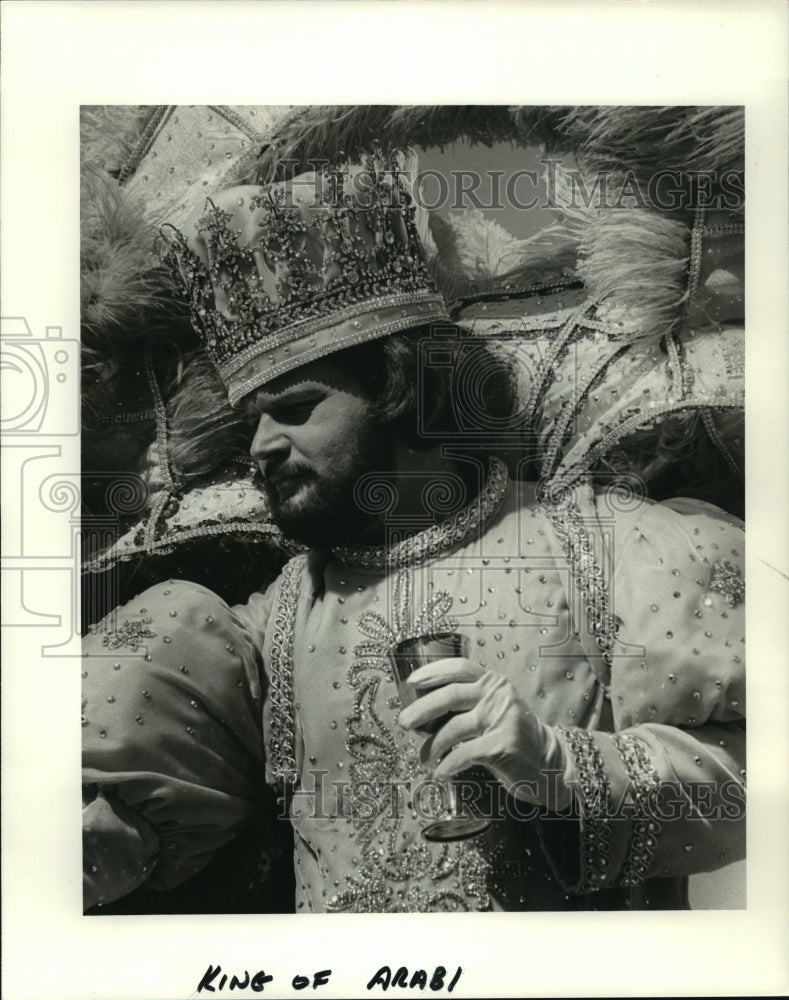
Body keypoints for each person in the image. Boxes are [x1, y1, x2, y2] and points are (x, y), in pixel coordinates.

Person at [82, 164, 745, 913]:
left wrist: (558, 767)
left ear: (401, 387)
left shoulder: (607, 543)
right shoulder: (266, 627)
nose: (261, 445)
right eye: (250, 424)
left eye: (296, 408)